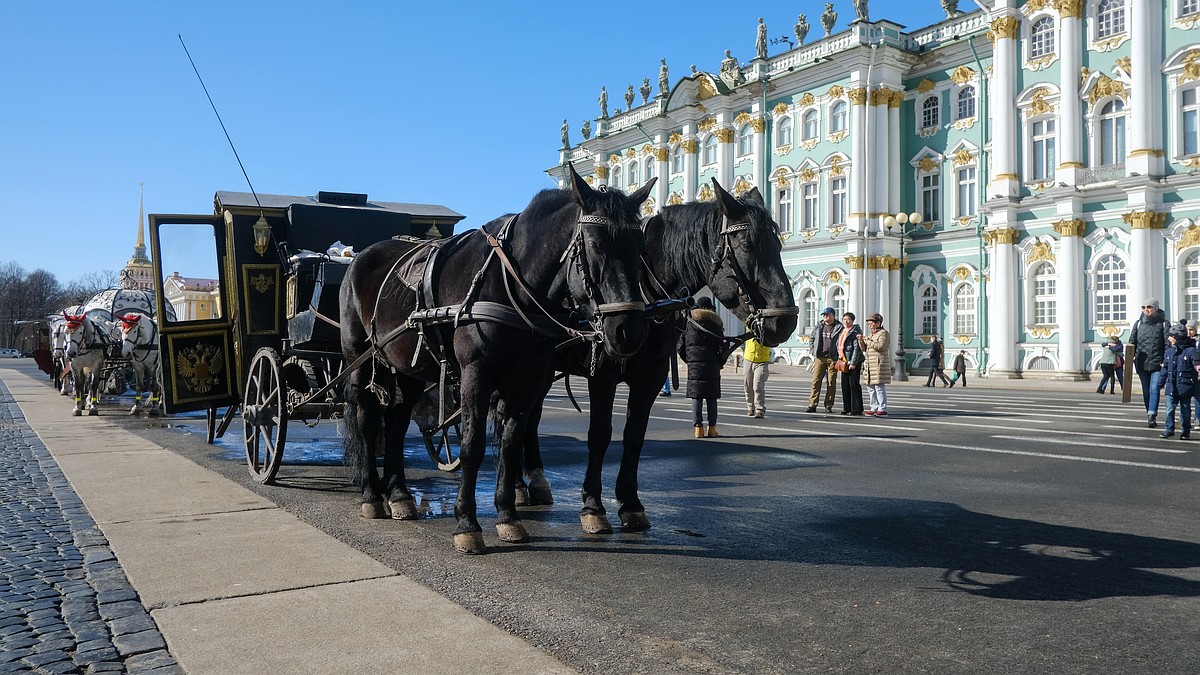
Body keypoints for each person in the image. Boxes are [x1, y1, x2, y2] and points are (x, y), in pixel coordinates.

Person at [677, 296, 725, 438]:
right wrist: (719, 362)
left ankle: (698, 429)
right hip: (712, 366)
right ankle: (712, 428)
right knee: (711, 397)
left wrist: (690, 361)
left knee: (696, 397)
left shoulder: (689, 323)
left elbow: (680, 347)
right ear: (711, 308)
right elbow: (722, 346)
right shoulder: (716, 324)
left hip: (694, 367)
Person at [1131, 298, 1168, 427]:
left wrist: (1165, 361)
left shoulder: (1163, 324)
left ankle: (1152, 415)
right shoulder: (1138, 324)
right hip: (1141, 364)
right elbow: (1132, 343)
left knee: (1154, 389)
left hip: (1158, 363)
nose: (1146, 309)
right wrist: (1130, 358)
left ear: (1156, 308)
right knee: (1146, 391)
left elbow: (1168, 344)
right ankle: (1149, 412)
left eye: (1149, 307)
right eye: (1144, 307)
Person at [1159, 320, 1196, 440]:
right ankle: (1169, 430)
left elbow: (1196, 366)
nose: (1169, 338)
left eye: (1171, 336)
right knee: (1169, 409)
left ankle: (1185, 431)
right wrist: (1161, 382)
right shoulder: (1169, 351)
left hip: (1185, 385)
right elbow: (1165, 369)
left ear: (1178, 337)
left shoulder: (1190, 351)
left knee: (1185, 411)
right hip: (1172, 385)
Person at [807, 307, 842, 413]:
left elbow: (841, 342)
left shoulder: (839, 327)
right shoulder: (819, 326)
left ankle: (828, 405)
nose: (825, 317)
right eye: (824, 315)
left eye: (827, 315)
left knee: (831, 382)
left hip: (832, 358)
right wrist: (813, 351)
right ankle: (812, 404)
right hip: (820, 357)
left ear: (833, 316)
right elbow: (812, 339)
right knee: (816, 381)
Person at [860, 312, 892, 416]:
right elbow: (865, 349)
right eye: (869, 323)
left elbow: (881, 346)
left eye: (872, 323)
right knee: (870, 387)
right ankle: (873, 407)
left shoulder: (884, 333)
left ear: (878, 323)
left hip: (878, 364)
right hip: (870, 364)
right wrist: (861, 341)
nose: (870, 325)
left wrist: (868, 341)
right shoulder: (871, 334)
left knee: (879, 387)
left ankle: (882, 408)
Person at [836, 312, 864, 415]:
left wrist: (853, 362)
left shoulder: (855, 332)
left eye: (848, 319)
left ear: (852, 321)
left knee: (854, 385)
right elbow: (838, 344)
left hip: (853, 362)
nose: (846, 321)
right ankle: (847, 407)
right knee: (845, 385)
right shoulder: (842, 331)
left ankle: (856, 408)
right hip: (843, 361)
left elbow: (857, 349)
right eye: (844, 319)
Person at [742, 336, 771, 418]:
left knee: (758, 386)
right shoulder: (751, 324)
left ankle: (759, 409)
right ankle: (750, 406)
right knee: (748, 385)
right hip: (749, 357)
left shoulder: (768, 326)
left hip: (762, 359)